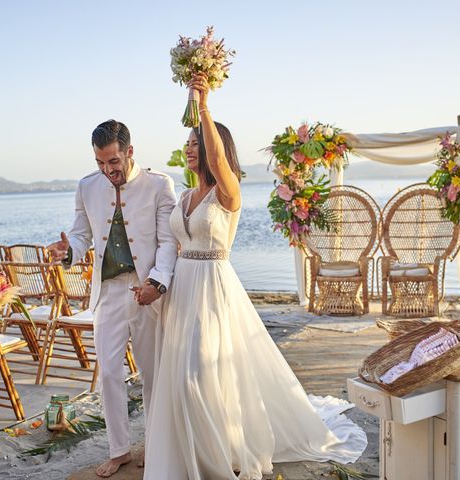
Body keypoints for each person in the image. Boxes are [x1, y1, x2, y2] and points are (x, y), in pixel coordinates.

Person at [143, 73, 367, 480]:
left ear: (216, 151)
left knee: (201, 372)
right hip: (181, 292)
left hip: (212, 288)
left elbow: (218, 158)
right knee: (179, 376)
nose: (190, 148)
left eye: (198, 143)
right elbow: (167, 244)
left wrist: (204, 105)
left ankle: (216, 457)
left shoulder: (227, 191)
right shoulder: (183, 196)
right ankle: (188, 451)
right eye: (188, 143)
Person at [47, 120, 177, 478]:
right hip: (108, 292)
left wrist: (157, 283)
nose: (108, 170)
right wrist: (67, 252)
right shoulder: (86, 187)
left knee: (152, 373)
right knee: (108, 374)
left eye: (114, 162)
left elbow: (168, 242)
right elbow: (80, 235)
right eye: (101, 163)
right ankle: (118, 449)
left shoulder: (159, 185)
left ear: (130, 152)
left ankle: (156, 445)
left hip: (148, 291)